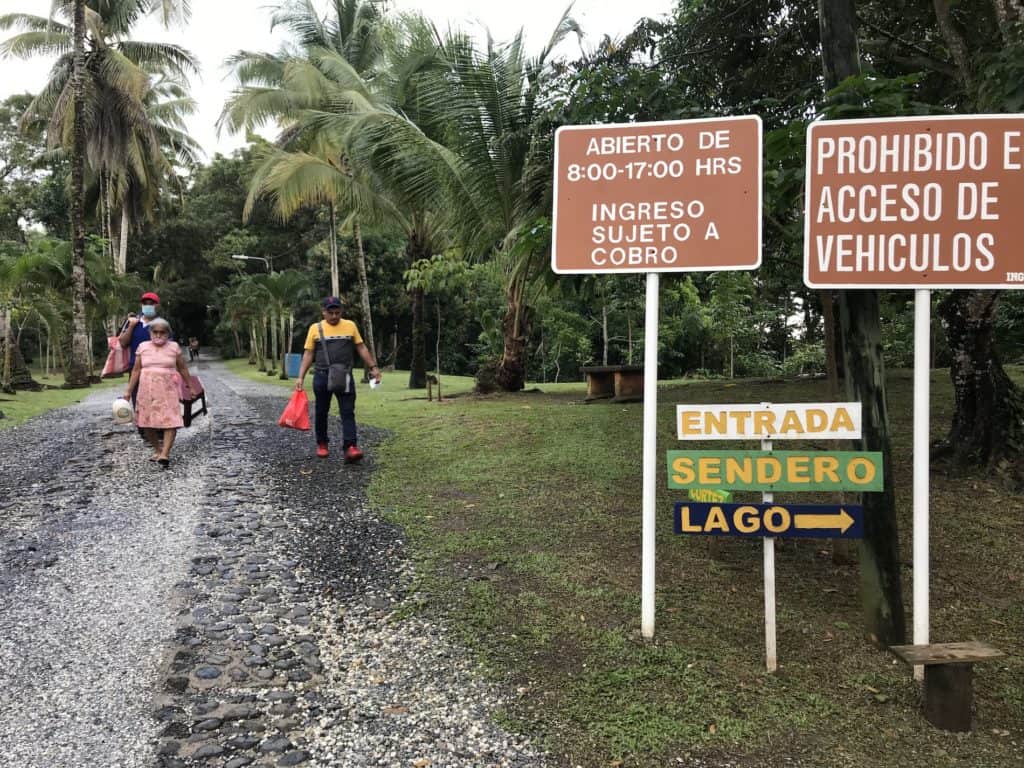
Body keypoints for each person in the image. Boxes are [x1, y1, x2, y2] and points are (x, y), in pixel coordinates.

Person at [295, 296, 381, 462]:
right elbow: (308, 353)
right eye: (330, 313)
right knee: (321, 411)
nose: (334, 316)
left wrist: (373, 367)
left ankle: (350, 447)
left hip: (345, 376)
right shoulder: (315, 328)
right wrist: (300, 377)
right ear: (324, 312)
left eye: (337, 312)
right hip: (321, 376)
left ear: (341, 311)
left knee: (347, 411)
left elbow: (361, 347)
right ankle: (322, 443)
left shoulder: (350, 326)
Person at [122, 318, 195, 468]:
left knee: (171, 421)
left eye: (162, 332)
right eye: (155, 332)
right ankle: (157, 449)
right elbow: (136, 370)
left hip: (168, 390)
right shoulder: (143, 347)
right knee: (146, 423)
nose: (159, 335)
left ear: (168, 333)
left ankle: (165, 454)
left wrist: (191, 386)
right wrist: (128, 391)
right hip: (146, 390)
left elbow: (182, 368)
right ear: (150, 333)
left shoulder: (174, 347)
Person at [119, 291, 162, 372]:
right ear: (141, 305)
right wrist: (131, 326)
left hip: (157, 368)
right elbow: (123, 343)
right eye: (145, 303)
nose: (148, 306)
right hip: (135, 369)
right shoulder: (132, 321)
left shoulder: (162, 324)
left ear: (157, 306)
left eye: (151, 303)